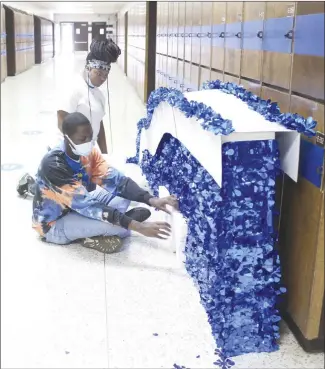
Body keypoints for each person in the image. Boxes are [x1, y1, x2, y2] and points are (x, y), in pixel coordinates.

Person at [33, 112, 178, 254]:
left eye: (90, 137)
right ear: (67, 138)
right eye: (82, 138)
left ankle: (108, 226)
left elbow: (116, 180)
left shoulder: (87, 153)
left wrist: (151, 199)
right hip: (55, 223)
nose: (88, 143)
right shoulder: (54, 165)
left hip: (80, 205)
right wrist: (139, 227)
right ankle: (102, 232)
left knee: (124, 195)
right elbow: (88, 206)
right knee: (119, 227)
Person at [17, 37, 121, 197]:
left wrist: (104, 155)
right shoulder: (74, 88)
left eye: (105, 76)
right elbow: (62, 121)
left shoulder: (99, 95)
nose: (101, 79)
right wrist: (77, 154)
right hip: (67, 152)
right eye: (98, 73)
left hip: (86, 153)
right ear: (88, 67)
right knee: (66, 200)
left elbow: (99, 126)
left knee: (89, 192)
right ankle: (32, 184)